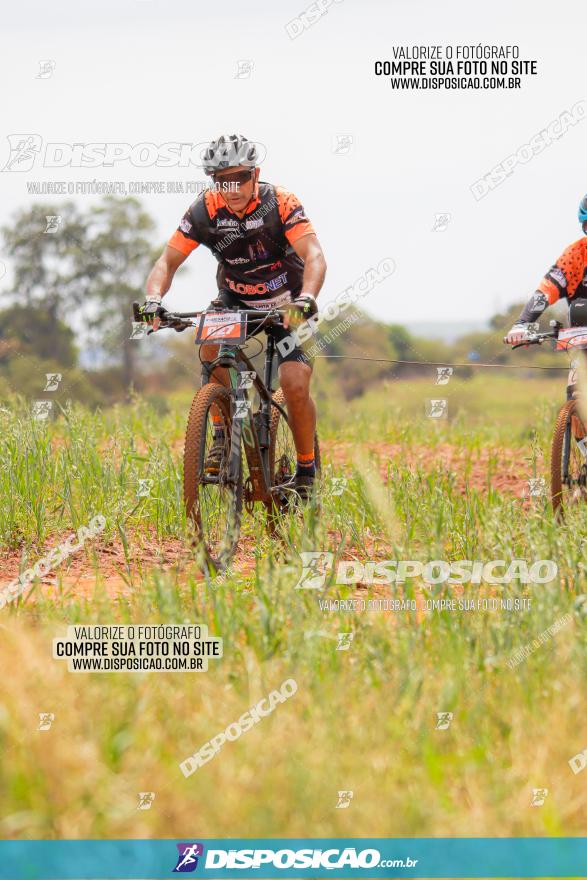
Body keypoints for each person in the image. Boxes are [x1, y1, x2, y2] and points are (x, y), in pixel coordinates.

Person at [142, 134, 327, 499]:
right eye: (222, 180)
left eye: (240, 177)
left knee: (294, 382)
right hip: (234, 301)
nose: (232, 188)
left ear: (255, 174)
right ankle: (221, 433)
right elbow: (167, 261)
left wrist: (306, 298)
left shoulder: (281, 203)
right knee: (210, 345)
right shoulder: (205, 210)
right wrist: (152, 301)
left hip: (285, 303)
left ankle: (306, 468)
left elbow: (315, 256)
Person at [505, 195, 587, 345]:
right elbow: (546, 291)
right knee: (579, 309)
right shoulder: (575, 255)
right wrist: (522, 323)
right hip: (582, 347)